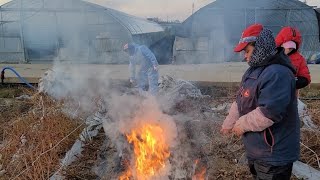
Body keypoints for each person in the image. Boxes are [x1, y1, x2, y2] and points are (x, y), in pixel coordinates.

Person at [221, 24, 300, 180]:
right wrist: (229, 122)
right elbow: (240, 99)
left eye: (247, 51)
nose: (245, 56)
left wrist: (241, 125)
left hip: (274, 154)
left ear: (260, 48)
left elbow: (269, 113)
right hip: (257, 150)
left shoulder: (278, 73)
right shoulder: (253, 70)